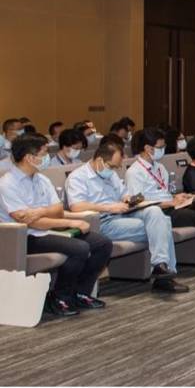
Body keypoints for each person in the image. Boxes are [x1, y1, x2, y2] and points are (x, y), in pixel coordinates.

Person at [0, 134, 112, 316]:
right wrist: (68, 222)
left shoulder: (41, 179)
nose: (47, 158)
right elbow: (30, 222)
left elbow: (58, 209)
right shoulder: (7, 184)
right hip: (24, 238)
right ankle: (60, 297)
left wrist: (39, 211)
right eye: (43, 153)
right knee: (80, 248)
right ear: (29, 157)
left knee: (102, 243)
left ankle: (80, 293)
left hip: (47, 231)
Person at [66, 140, 187, 293]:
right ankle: (164, 275)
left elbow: (124, 194)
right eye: (112, 166)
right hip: (103, 221)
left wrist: (128, 199)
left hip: (122, 215)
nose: (114, 170)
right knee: (163, 224)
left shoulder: (110, 174)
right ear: (99, 160)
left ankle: (160, 266)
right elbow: (76, 206)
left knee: (155, 212)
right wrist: (109, 207)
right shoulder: (77, 177)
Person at [124, 128, 195, 274]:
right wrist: (169, 203)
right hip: (158, 213)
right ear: (147, 148)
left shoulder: (160, 167)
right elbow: (138, 203)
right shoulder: (134, 172)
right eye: (160, 147)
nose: (163, 150)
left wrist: (177, 197)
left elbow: (164, 192)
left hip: (172, 206)